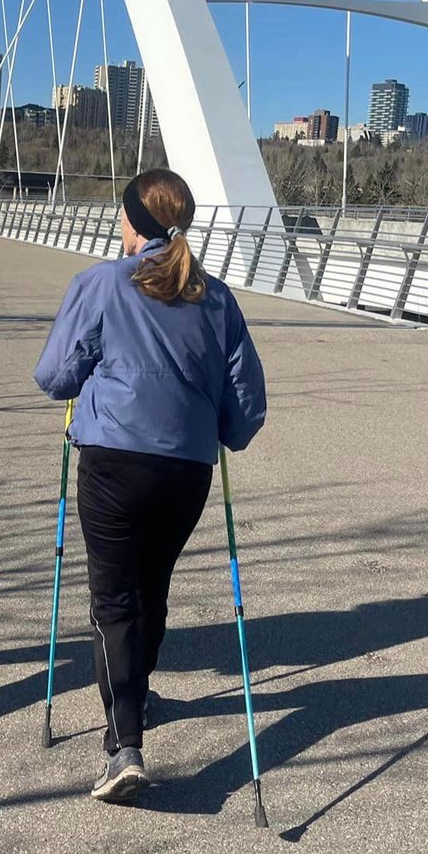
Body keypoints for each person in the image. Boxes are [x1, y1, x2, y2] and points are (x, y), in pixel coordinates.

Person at [33, 168, 266, 804]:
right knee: (151, 588)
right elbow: (245, 409)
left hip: (113, 460)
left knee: (114, 600)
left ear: (134, 220)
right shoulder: (216, 297)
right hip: (186, 469)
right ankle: (137, 692)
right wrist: (217, 429)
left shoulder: (102, 282)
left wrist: (89, 370)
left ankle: (124, 743)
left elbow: (55, 375)